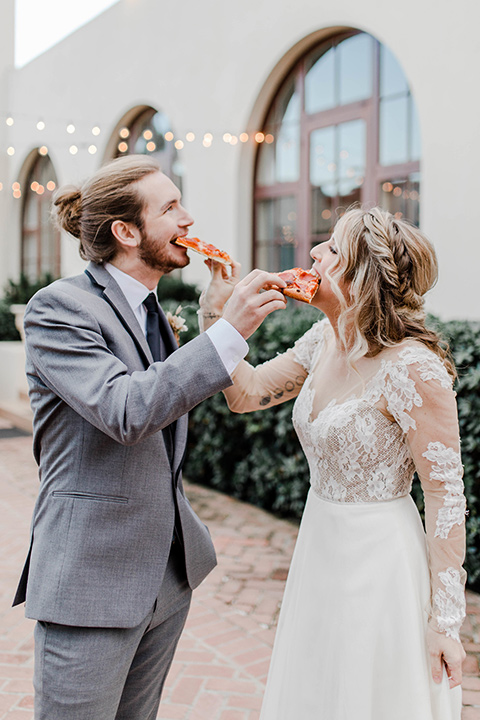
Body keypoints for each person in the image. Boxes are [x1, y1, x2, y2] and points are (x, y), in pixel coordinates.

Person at [12, 154, 287, 720]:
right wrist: (231, 332)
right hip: (91, 581)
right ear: (126, 232)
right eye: (171, 207)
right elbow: (126, 409)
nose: (189, 217)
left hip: (166, 578)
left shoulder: (156, 312)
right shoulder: (61, 308)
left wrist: (216, 320)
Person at [199, 206, 467, 720]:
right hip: (320, 541)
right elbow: (246, 393)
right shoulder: (322, 339)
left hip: (381, 557)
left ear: (362, 273)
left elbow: (445, 497)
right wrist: (218, 310)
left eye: (331, 248)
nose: (314, 253)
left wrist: (446, 622)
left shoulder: (413, 367)